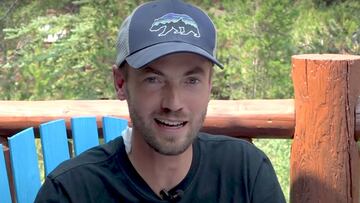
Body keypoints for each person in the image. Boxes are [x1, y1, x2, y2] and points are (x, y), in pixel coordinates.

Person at [35, 0, 286, 202]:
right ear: (121, 83)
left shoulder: (245, 172)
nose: (174, 103)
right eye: (154, 79)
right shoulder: (71, 191)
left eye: (191, 80)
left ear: (210, 85)